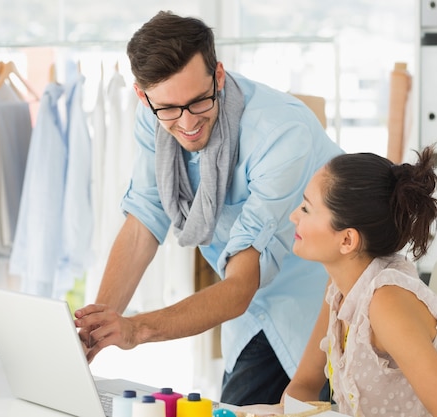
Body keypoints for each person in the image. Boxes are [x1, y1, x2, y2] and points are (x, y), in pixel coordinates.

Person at [73, 10, 344, 406]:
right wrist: (95, 331)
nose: (186, 123)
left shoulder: (279, 134)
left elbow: (238, 288)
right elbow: (141, 225)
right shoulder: (152, 120)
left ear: (218, 76)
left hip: (317, 304)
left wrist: (135, 329)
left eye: (198, 101)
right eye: (168, 107)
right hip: (252, 318)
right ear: (142, 96)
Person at [283, 146, 437, 417]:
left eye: (306, 209)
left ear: (347, 240)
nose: (293, 216)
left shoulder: (387, 302)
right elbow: (305, 385)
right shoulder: (339, 288)